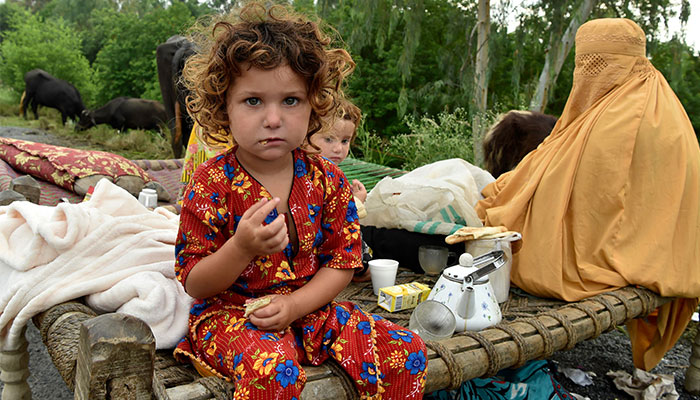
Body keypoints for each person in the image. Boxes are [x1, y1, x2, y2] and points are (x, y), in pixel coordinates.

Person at [173, 4, 427, 399]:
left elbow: (343, 261)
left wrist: (295, 307)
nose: (273, 119)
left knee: (404, 349)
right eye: (253, 101)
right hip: (233, 316)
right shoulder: (210, 184)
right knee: (275, 372)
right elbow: (195, 282)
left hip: (311, 310)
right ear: (224, 107)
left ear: (314, 106)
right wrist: (240, 248)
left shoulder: (328, 181)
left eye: (290, 100)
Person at [475, 18, 700, 371]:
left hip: (611, 258)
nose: (586, 76)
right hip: (674, 252)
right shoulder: (669, 110)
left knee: (506, 223)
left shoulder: (613, 121)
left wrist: (511, 193)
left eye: (591, 65)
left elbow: (578, 204)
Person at [305, 98, 373, 281]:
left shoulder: (330, 172)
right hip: (311, 245)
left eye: (345, 141)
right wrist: (357, 202)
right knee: (356, 235)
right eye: (328, 139)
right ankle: (356, 269)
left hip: (318, 243)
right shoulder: (310, 172)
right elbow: (327, 216)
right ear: (305, 136)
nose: (338, 149)